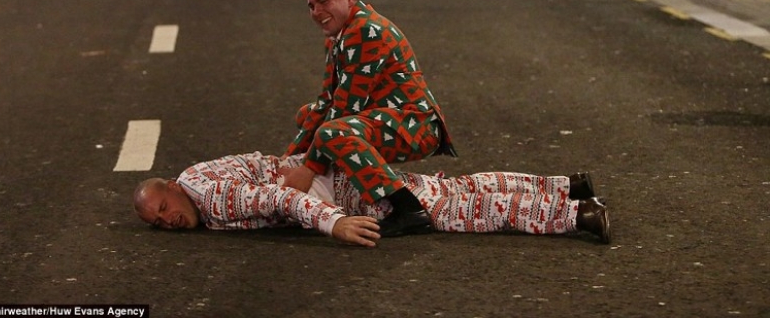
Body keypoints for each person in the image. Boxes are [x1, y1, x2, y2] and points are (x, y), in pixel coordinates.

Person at [280, 0, 456, 237]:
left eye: (324, 1)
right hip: (385, 118)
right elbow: (326, 101)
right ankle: (349, 173)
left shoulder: (367, 31)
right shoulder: (339, 37)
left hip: (415, 126)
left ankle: (410, 210)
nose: (316, 12)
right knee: (308, 115)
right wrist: (289, 156)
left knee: (332, 133)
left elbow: (346, 107)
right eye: (311, 6)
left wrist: (308, 168)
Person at [133, 151, 611, 247]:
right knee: (450, 189)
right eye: (157, 222)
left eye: (163, 208)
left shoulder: (211, 199)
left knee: (449, 210)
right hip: (331, 166)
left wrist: (335, 224)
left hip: (338, 188)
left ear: (173, 189)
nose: (166, 220)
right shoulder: (194, 176)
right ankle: (566, 185)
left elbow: (283, 200)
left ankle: (578, 215)